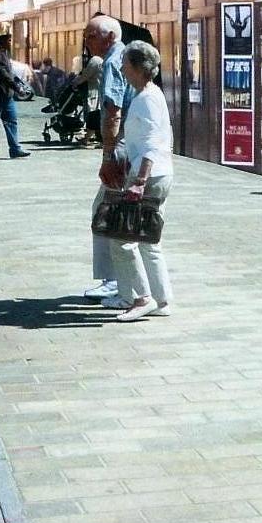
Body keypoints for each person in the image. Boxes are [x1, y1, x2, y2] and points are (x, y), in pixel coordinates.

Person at [108, 41, 173, 322]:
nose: (122, 69)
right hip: (160, 173)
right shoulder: (151, 94)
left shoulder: (146, 99)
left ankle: (141, 298)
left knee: (122, 240)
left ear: (137, 67)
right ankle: (162, 299)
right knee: (148, 240)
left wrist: (139, 181)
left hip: (148, 176)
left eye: (125, 64)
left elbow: (150, 144)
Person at [81, 16, 134, 305]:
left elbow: (113, 112)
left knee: (106, 211)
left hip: (121, 145)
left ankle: (114, 280)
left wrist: (107, 155)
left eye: (91, 36)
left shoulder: (113, 62)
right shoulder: (126, 56)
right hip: (131, 143)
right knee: (110, 210)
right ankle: (119, 279)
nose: (87, 42)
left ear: (110, 36)